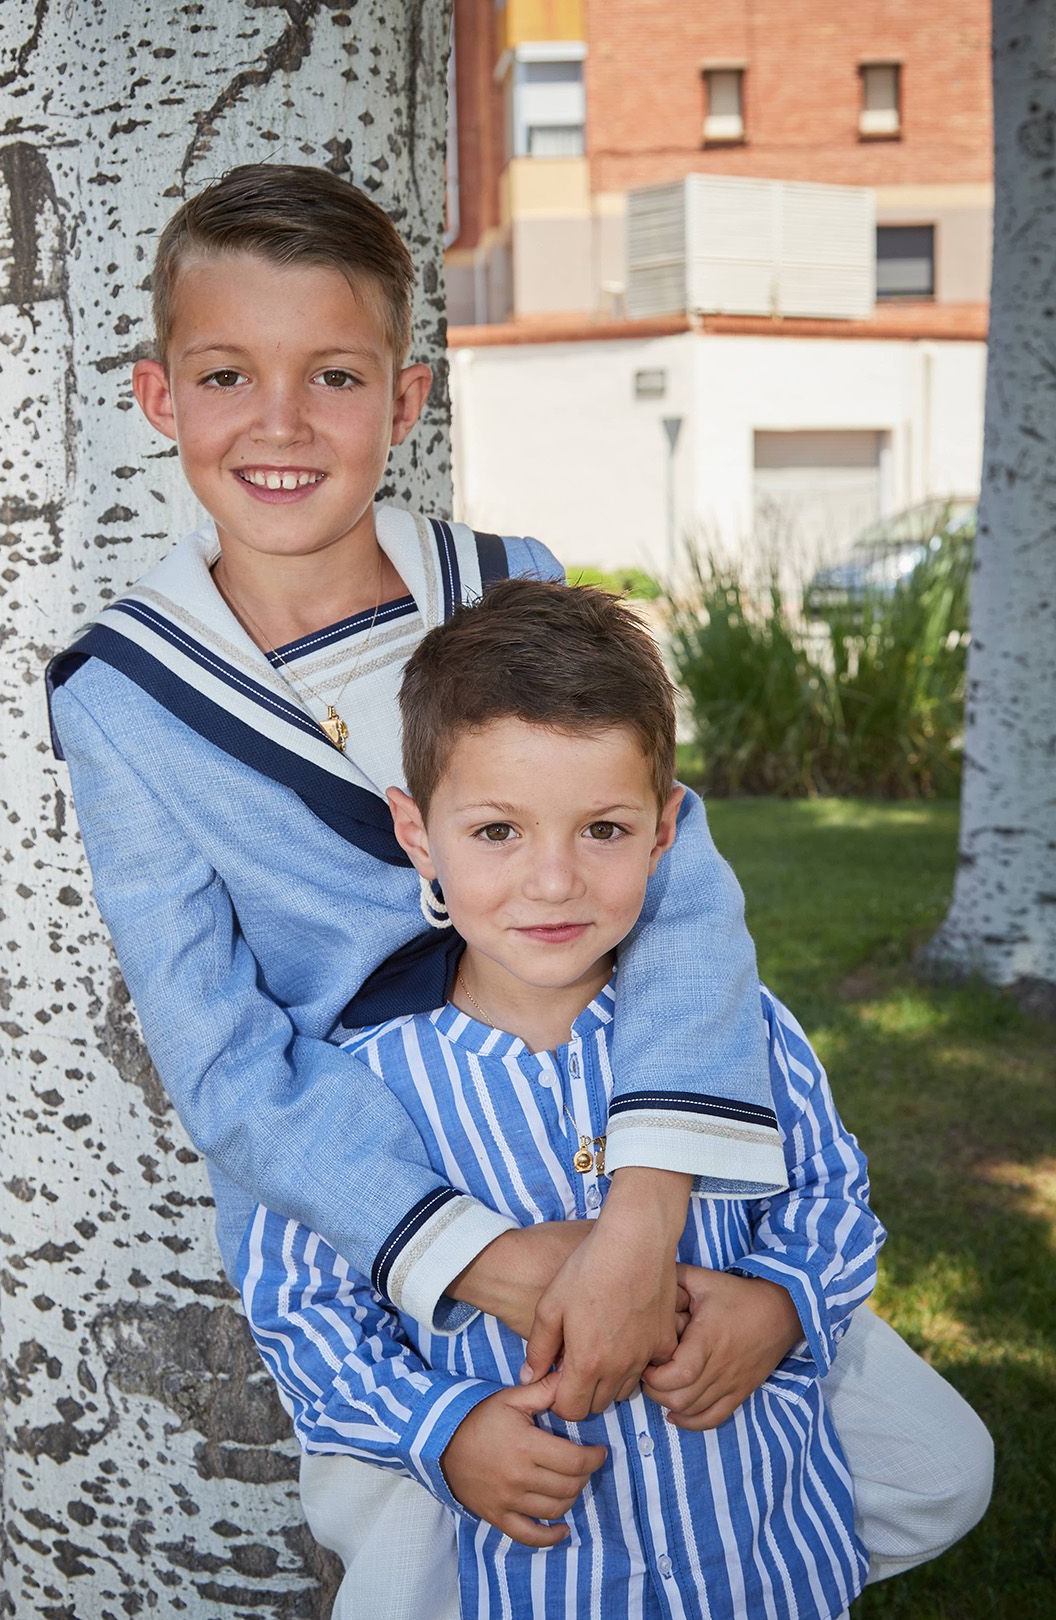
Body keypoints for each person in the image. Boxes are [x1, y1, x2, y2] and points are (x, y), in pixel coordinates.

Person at [46, 163, 991, 1607]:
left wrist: (645, 1221)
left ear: (407, 400)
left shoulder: (504, 579)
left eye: (337, 375)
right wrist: (482, 1257)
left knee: (930, 1463)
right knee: (457, 1549)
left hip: (628, 1098)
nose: (283, 424)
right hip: (385, 1167)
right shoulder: (122, 690)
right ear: (160, 398)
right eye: (229, 373)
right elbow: (219, 1053)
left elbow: (685, 892)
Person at [243, 577, 881, 1620]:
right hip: (551, 1583)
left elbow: (832, 1197)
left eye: (604, 830)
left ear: (666, 830)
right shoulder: (366, 1084)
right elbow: (305, 1311)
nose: (554, 883)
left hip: (768, 1564)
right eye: (497, 832)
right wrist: (442, 1428)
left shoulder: (739, 1026)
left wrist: (782, 1306)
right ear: (417, 835)